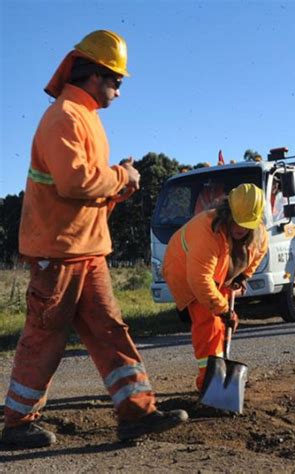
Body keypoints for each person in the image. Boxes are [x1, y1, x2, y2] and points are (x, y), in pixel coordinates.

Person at [1, 30, 188, 449]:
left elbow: (86, 188)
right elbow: (73, 183)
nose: (119, 91)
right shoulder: (65, 116)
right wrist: (122, 176)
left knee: (111, 331)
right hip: (59, 252)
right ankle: (16, 425)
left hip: (86, 250)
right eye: (116, 81)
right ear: (93, 75)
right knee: (44, 336)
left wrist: (118, 185)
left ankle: (137, 414)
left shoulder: (85, 117)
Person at [163, 183, 269, 392]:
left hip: (216, 274)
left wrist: (244, 276)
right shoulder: (207, 230)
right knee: (209, 323)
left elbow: (259, 252)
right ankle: (209, 384)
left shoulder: (259, 233)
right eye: (237, 222)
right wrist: (223, 310)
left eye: (247, 224)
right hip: (184, 271)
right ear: (227, 212)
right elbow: (200, 280)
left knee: (221, 324)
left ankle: (219, 378)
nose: (241, 229)